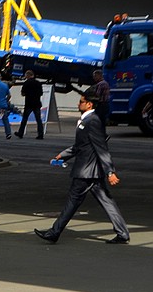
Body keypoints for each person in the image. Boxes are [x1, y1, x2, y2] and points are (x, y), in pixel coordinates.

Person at [34, 87, 130, 245]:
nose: (78, 104)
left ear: (89, 105)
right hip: (91, 171)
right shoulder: (88, 120)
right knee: (107, 201)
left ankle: (54, 232)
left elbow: (101, 148)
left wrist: (110, 172)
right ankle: (123, 233)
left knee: (72, 202)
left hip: (85, 171)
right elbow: (81, 145)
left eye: (81, 102)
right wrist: (62, 155)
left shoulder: (92, 121)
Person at [15, 70, 44, 139]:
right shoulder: (38, 83)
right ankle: (40, 134)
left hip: (29, 103)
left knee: (24, 119)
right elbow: (41, 93)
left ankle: (20, 133)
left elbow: (23, 93)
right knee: (38, 120)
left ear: (28, 76)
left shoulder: (26, 83)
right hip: (37, 103)